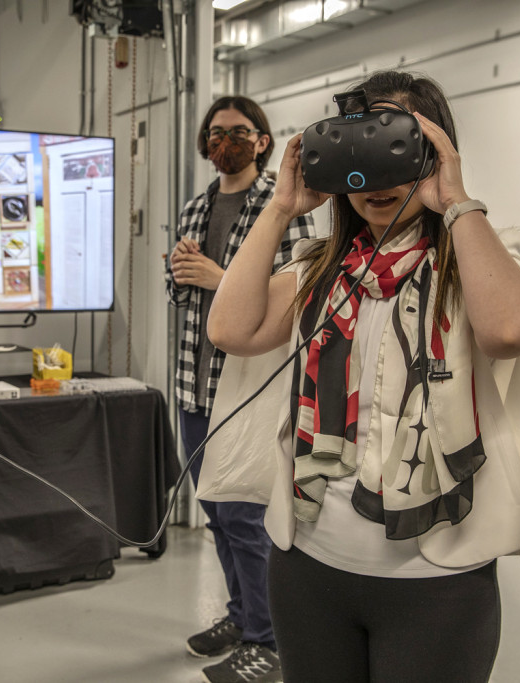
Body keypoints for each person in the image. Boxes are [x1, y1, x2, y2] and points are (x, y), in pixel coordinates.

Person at [206, 71, 520, 682]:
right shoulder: (319, 269)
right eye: (356, 152)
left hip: (434, 581)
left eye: (394, 147)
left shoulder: (476, 258)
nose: (377, 179)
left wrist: (454, 200)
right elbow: (231, 330)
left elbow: (510, 330)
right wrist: (282, 207)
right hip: (309, 565)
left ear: (433, 153)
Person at [166, 95, 316, 683]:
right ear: (206, 142)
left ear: (261, 140)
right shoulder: (196, 207)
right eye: (215, 131)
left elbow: (296, 289)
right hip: (193, 385)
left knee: (249, 522)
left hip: (248, 391)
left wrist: (218, 278)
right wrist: (180, 273)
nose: (224, 139)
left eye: (238, 131)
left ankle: (268, 640)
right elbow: (181, 293)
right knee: (217, 517)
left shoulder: (284, 203)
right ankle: (240, 614)